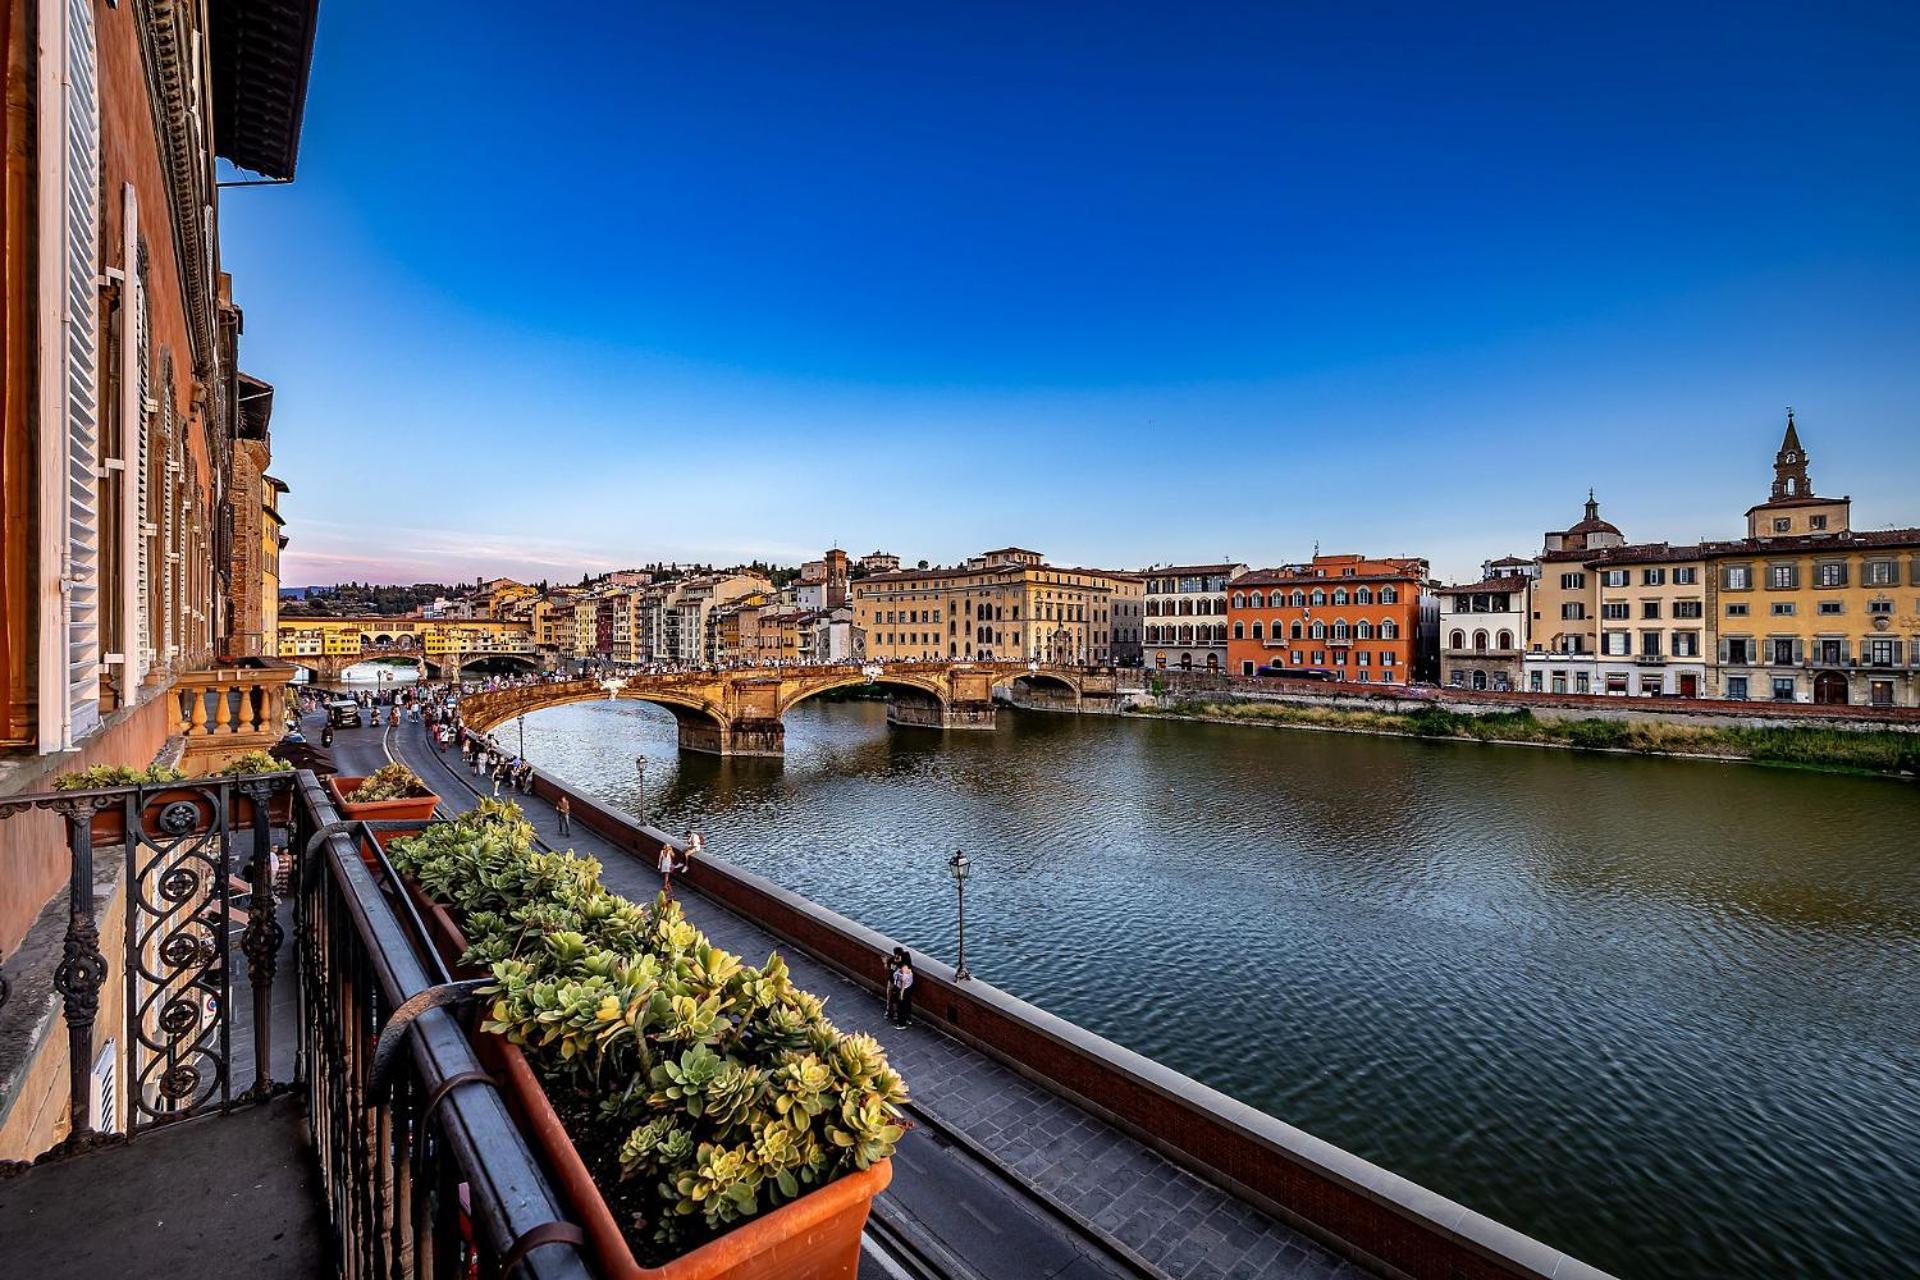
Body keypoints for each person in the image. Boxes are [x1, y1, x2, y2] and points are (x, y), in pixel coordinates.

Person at [887, 948, 915, 1027]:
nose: (896, 957)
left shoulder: (903, 968)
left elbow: (903, 980)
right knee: (907, 1004)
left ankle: (901, 1024)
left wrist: (901, 993)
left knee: (901, 1006)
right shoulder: (907, 966)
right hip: (908, 987)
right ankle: (908, 1019)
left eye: (898, 956)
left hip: (903, 989)